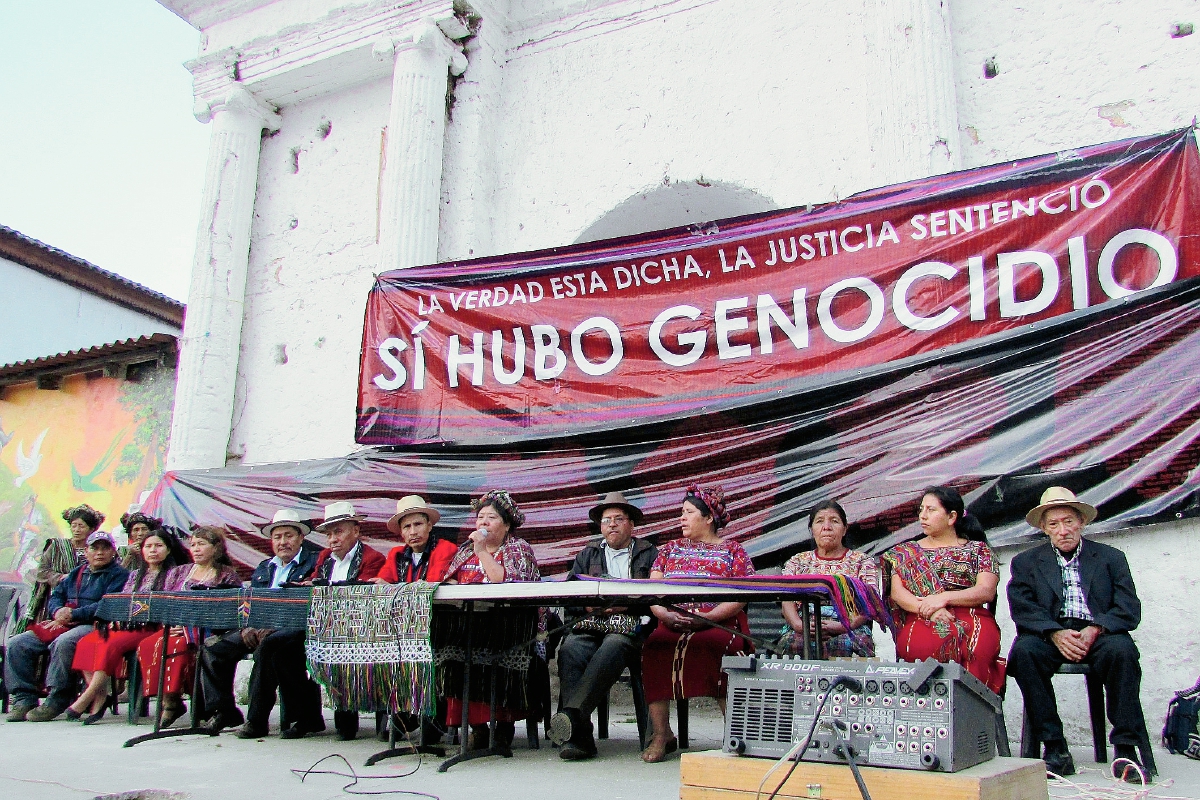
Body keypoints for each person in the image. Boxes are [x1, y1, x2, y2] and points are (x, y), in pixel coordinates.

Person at [1006, 487, 1151, 780]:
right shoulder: (1026, 563)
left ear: (1082, 522)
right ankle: (1055, 748)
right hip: (1050, 633)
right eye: (1054, 524)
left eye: (1069, 521)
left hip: (1100, 632)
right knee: (1024, 653)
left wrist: (1096, 628)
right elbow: (1022, 609)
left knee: (1122, 652)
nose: (1063, 530)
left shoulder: (1111, 558)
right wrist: (1055, 632)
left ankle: (1125, 749)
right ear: (1045, 529)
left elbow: (1128, 608)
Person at [640, 485, 755, 763]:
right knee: (655, 646)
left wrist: (710, 617)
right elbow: (654, 591)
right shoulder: (669, 550)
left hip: (720, 623)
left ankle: (736, 733)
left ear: (708, 518)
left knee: (717, 648)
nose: (682, 518)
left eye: (689, 513)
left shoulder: (733, 551)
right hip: (673, 622)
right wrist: (663, 614)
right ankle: (662, 734)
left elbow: (743, 594)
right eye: (681, 512)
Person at [551, 491, 658, 760]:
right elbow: (569, 597)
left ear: (631, 525)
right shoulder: (587, 555)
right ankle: (580, 740)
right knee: (570, 649)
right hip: (593, 624)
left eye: (619, 518)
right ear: (600, 526)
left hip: (632, 626)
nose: (612, 524)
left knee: (616, 643)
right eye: (606, 519)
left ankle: (571, 718)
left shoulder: (649, 553)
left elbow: (659, 597)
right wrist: (588, 607)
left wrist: (628, 605)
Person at [200, 509, 321, 738]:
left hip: (295, 629)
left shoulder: (313, 563)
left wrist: (273, 626)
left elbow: (306, 605)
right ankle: (224, 711)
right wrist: (248, 626)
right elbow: (250, 602)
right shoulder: (265, 567)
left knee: (270, 647)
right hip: (258, 627)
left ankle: (256, 720)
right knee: (213, 647)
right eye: (277, 537)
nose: (283, 542)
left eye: (288, 536)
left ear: (301, 538)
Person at [442, 490, 541, 750]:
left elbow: (502, 581)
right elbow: (449, 580)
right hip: (469, 622)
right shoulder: (465, 551)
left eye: (492, 517)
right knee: (451, 648)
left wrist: (482, 551)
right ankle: (477, 727)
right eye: (480, 517)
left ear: (507, 525)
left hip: (513, 625)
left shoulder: (519, 549)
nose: (483, 522)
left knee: (492, 647)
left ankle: (503, 725)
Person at [881, 486, 1003, 692]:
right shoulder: (904, 553)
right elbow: (898, 594)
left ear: (951, 517)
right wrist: (932, 607)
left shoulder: (978, 550)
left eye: (931, 510)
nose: (923, 516)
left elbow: (985, 591)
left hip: (972, 618)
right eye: (921, 510)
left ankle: (970, 716)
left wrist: (944, 598)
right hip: (921, 616)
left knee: (977, 648)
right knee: (920, 647)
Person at [5, 531, 129, 722]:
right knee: (18, 643)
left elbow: (108, 604)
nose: (99, 552)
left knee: (63, 643)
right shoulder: (77, 572)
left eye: (105, 548)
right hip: (63, 621)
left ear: (113, 551)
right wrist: (57, 611)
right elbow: (57, 595)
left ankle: (58, 698)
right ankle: (24, 699)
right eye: (94, 548)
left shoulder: (120, 575)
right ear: (86, 551)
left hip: (94, 624)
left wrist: (74, 614)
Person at [66, 529, 189, 723]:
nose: (153, 551)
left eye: (158, 546)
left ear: (168, 549)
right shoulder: (134, 575)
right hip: (129, 624)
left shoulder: (176, 574)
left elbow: (172, 603)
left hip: (151, 627)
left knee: (109, 645)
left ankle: (87, 697)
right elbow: (124, 602)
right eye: (148, 546)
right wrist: (117, 617)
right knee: (87, 642)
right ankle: (100, 695)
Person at [288, 501, 386, 741]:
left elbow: (363, 594)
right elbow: (315, 583)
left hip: (360, 625)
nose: (332, 539)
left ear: (355, 530)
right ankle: (304, 716)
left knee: (342, 642)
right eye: (329, 534)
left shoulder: (372, 557)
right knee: (279, 646)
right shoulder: (324, 557)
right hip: (323, 624)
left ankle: (349, 722)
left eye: (338, 531)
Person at [135, 526, 241, 727]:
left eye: (202, 544)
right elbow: (165, 601)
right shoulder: (180, 572)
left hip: (208, 630)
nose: (196, 549)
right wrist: (173, 622)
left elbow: (230, 609)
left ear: (216, 547)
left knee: (178, 647)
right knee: (149, 644)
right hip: (176, 627)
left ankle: (182, 705)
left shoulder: (227, 575)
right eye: (193, 545)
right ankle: (170, 699)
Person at [781, 500, 879, 658]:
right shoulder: (797, 561)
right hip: (805, 625)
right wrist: (799, 625)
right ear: (812, 529)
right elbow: (786, 599)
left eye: (834, 521)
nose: (826, 527)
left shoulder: (862, 561)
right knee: (790, 644)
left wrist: (845, 625)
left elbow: (870, 600)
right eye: (819, 521)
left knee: (849, 645)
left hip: (849, 626)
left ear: (845, 529)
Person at [20, 504, 105, 630]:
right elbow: (42, 571)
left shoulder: (98, 552)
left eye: (81, 526)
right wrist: (60, 577)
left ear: (92, 529)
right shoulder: (56, 546)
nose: (76, 530)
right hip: (55, 600)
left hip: (84, 604)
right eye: (74, 525)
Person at [373, 495, 458, 584]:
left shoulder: (445, 549)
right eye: (407, 526)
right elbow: (382, 582)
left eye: (418, 524)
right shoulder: (395, 555)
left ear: (429, 526)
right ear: (401, 532)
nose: (413, 532)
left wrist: (391, 587)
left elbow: (431, 584)